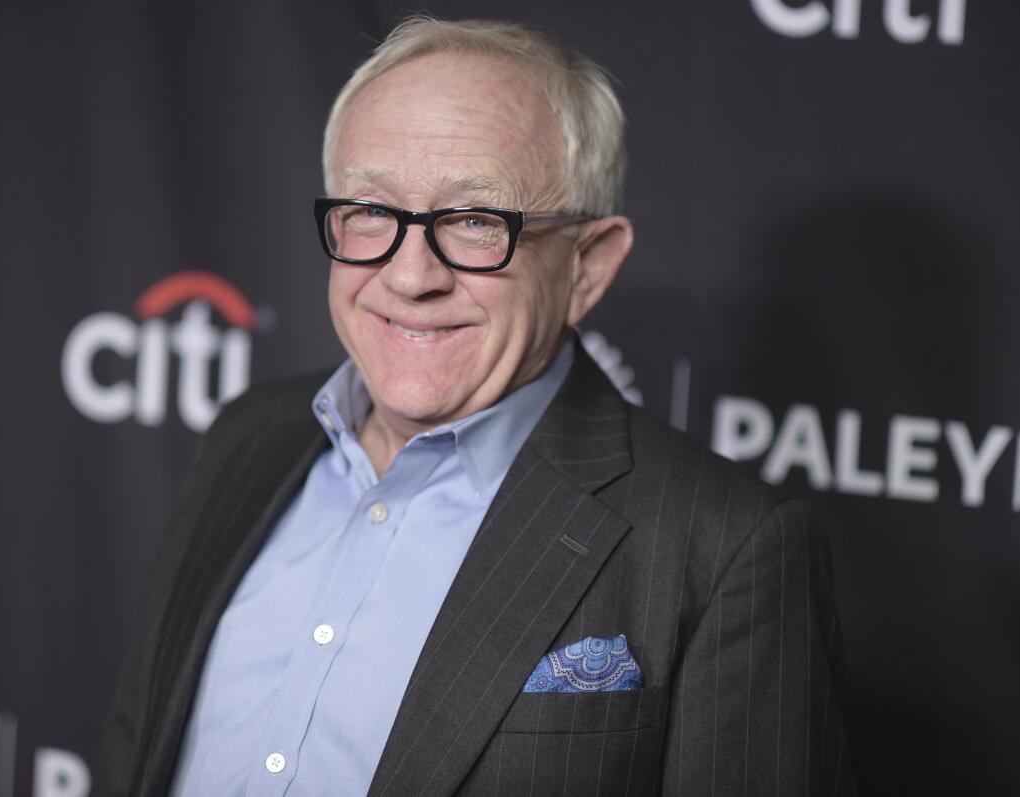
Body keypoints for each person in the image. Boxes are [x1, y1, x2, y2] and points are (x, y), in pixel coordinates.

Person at [98, 17, 853, 796]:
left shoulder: (724, 547)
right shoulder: (248, 437)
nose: (409, 275)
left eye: (473, 221)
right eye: (371, 211)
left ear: (588, 266)